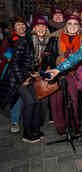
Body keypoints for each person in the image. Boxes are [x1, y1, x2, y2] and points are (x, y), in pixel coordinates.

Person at [6, 15, 51, 143]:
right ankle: (27, 133)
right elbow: (14, 64)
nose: (41, 28)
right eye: (38, 26)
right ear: (33, 28)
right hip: (17, 77)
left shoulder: (45, 42)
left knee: (36, 102)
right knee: (30, 102)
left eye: (43, 26)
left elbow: (36, 63)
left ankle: (35, 130)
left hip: (30, 77)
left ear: (46, 28)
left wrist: (38, 73)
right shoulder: (25, 41)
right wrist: (22, 80)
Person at [44, 14, 82, 135]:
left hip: (74, 73)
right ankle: (61, 127)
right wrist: (57, 63)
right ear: (66, 25)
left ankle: (74, 126)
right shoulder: (55, 37)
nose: (72, 26)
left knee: (73, 101)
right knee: (57, 101)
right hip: (57, 72)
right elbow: (48, 55)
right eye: (70, 23)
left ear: (79, 26)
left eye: (75, 24)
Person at [0, 17, 27, 133]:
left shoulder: (30, 37)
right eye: (18, 25)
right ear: (14, 27)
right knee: (17, 96)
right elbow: (4, 53)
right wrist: (11, 56)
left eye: (22, 24)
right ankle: (15, 122)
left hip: (29, 71)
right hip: (13, 72)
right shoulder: (10, 39)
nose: (21, 27)